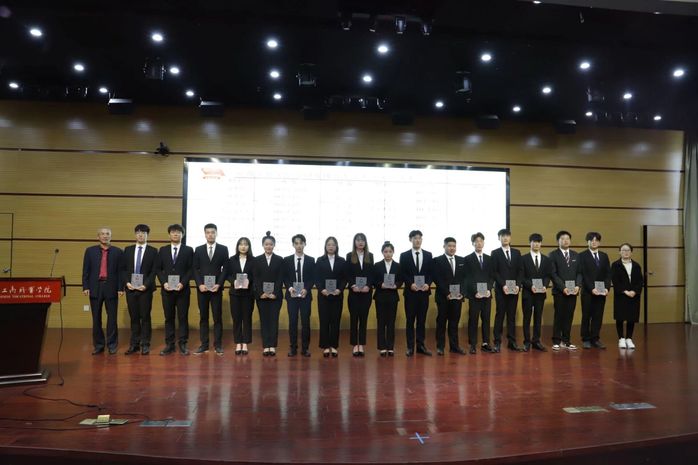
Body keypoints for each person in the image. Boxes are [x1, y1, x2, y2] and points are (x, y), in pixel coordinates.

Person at [82, 227, 123, 355]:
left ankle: (112, 344)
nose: (105, 236)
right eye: (102, 234)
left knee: (112, 318)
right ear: (98, 237)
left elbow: (121, 272)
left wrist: (120, 288)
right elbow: (86, 270)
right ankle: (99, 345)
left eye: (107, 234)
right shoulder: (90, 251)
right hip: (95, 287)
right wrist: (85, 286)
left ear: (111, 236)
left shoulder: (118, 252)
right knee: (96, 318)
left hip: (111, 288)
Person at [155, 224, 194, 356]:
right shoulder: (163, 250)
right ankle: (169, 344)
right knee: (169, 318)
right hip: (167, 290)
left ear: (182, 235)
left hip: (182, 290)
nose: (175, 234)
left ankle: (183, 343)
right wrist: (164, 282)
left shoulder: (188, 250)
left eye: (178, 232)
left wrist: (183, 283)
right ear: (169, 234)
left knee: (183, 317)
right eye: (173, 232)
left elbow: (191, 269)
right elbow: (158, 269)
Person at [120, 224, 158, 355]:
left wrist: (145, 285)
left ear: (147, 235)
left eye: (143, 233)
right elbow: (123, 269)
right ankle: (134, 344)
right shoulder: (128, 250)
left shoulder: (153, 251)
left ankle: (145, 344)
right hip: (131, 289)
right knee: (134, 317)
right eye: (138, 233)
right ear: (135, 234)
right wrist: (127, 283)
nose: (140, 235)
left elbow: (154, 271)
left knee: (145, 317)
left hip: (145, 289)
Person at [192, 223, 229, 355]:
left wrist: (219, 284)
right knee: (203, 317)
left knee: (217, 318)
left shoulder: (223, 249)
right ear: (205, 234)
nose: (210, 235)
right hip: (202, 289)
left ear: (216, 233)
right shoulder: (198, 249)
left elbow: (226, 269)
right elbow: (195, 269)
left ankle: (218, 345)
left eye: (213, 232)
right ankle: (204, 344)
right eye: (208, 232)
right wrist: (199, 284)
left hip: (216, 289)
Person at [399, 230, 433, 357]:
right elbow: (402, 273)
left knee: (421, 321)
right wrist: (410, 284)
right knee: (410, 320)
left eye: (419, 238)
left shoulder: (428, 255)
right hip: (410, 293)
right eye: (415, 238)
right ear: (410, 240)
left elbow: (431, 273)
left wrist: (428, 284)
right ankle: (410, 347)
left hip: (424, 293)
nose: (417, 240)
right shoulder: (404, 255)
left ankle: (421, 346)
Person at [432, 237, 467, 355]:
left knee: (454, 323)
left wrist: (462, 292)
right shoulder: (437, 260)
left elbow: (465, 278)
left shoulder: (462, 260)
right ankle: (440, 347)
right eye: (449, 246)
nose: (452, 248)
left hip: (457, 297)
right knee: (441, 322)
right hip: (443, 297)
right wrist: (447, 293)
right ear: (444, 246)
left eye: (454, 246)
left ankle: (454, 346)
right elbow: (437, 279)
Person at [283, 234, 316, 357]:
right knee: (292, 322)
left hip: (305, 296)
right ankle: (293, 347)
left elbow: (313, 277)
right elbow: (285, 277)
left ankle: (305, 348)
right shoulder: (287, 260)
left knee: (305, 322)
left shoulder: (311, 260)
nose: (299, 246)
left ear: (304, 244)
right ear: (293, 245)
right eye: (296, 243)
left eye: (301, 243)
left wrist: (306, 289)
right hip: (292, 295)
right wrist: (290, 288)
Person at [491, 228, 523, 352]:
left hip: (514, 290)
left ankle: (512, 342)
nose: (505, 238)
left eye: (507, 236)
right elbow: (494, 272)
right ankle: (497, 342)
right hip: (501, 290)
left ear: (510, 238)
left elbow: (520, 271)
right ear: (499, 238)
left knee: (511, 316)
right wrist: (503, 284)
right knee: (500, 315)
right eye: (502, 236)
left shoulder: (517, 252)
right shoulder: (495, 253)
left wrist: (518, 285)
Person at [252, 231, 284, 356]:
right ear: (263, 245)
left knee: (274, 320)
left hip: (275, 296)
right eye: (266, 244)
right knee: (264, 320)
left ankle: (272, 345)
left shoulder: (279, 260)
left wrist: (275, 293)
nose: (268, 246)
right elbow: (256, 278)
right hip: (262, 296)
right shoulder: (257, 260)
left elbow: (280, 278)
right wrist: (261, 293)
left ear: (274, 245)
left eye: (271, 244)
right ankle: (266, 345)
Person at [549, 230, 582, 351]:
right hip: (560, 291)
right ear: (558, 241)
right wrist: (563, 288)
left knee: (569, 316)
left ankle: (566, 341)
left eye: (567, 238)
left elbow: (580, 273)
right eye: (562, 239)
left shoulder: (576, 255)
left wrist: (578, 286)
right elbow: (553, 274)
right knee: (559, 316)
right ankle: (556, 341)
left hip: (573, 291)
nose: (565, 241)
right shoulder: (553, 255)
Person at [579, 232, 611, 349]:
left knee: (598, 315)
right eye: (591, 240)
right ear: (587, 242)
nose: (594, 242)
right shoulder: (582, 255)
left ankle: (595, 338)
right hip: (588, 291)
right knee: (586, 315)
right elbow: (583, 274)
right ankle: (586, 339)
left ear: (599, 242)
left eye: (596, 240)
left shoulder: (604, 256)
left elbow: (608, 274)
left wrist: (607, 288)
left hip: (602, 291)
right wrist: (592, 288)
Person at [315, 236, 347, 357]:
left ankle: (333, 346)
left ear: (336, 246)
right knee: (324, 320)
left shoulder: (342, 260)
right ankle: (325, 346)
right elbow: (316, 277)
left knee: (335, 321)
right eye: (329, 244)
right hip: (323, 296)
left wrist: (340, 289)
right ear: (325, 246)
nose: (331, 247)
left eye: (333, 244)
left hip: (337, 295)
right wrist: (321, 289)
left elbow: (344, 278)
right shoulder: (320, 260)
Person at [464, 232, 495, 354]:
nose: (479, 243)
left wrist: (489, 289)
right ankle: (472, 344)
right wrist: (475, 291)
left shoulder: (489, 258)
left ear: (484, 243)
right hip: (474, 295)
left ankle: (485, 343)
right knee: (473, 319)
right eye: (476, 241)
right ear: (473, 243)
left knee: (486, 319)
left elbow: (492, 276)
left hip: (486, 294)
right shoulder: (468, 259)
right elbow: (467, 278)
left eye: (481, 241)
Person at [520, 233, 552, 352]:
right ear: (530, 243)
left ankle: (536, 341)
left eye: (538, 242)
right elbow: (521, 276)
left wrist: (545, 285)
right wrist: (531, 286)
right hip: (528, 293)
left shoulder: (546, 259)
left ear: (541, 243)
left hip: (540, 293)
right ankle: (527, 342)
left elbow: (548, 275)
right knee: (527, 318)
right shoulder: (523, 259)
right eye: (534, 242)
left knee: (538, 318)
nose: (536, 244)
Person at [345, 233, 374, 357]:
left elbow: (372, 274)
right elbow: (347, 273)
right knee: (354, 319)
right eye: (358, 240)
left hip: (366, 293)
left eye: (362, 240)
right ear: (354, 242)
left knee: (363, 319)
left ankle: (361, 344)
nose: (360, 242)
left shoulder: (370, 256)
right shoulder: (349, 256)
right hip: (354, 293)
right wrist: (353, 285)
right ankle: (354, 345)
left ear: (365, 242)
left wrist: (368, 285)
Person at [611, 243, 643, 350]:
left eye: (628, 250)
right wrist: (625, 291)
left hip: (634, 295)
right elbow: (615, 281)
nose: (626, 252)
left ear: (631, 252)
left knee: (631, 317)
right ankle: (621, 338)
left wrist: (634, 291)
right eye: (623, 250)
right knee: (620, 317)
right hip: (621, 295)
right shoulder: (615, 265)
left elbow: (640, 281)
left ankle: (629, 338)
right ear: (619, 252)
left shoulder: (636, 265)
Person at [373, 241, 403, 357]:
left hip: (392, 297)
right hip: (380, 297)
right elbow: (374, 280)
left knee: (391, 322)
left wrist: (397, 285)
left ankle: (390, 347)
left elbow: (401, 280)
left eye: (390, 251)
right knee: (381, 322)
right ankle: (382, 347)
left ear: (393, 252)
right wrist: (381, 284)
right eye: (386, 251)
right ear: (382, 252)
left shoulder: (398, 266)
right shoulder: (377, 265)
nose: (388, 254)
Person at [227, 237, 254, 355]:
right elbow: (227, 274)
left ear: (249, 246)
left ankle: (246, 343)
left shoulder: (254, 260)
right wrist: (233, 281)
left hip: (248, 294)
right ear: (237, 246)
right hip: (235, 293)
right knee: (236, 318)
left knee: (247, 318)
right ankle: (238, 342)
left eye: (246, 244)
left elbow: (256, 274)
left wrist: (249, 280)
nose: (243, 246)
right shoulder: (231, 260)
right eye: (241, 244)